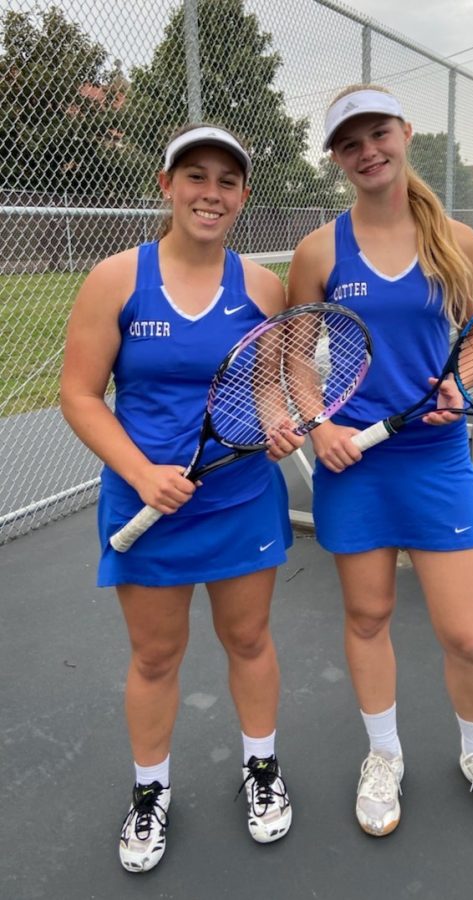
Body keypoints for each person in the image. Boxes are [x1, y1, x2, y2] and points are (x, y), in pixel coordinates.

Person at [287, 85, 473, 838]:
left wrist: (461, 381)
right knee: (367, 616)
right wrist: (317, 422)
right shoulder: (319, 250)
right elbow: (295, 360)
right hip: (353, 464)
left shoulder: (457, 240)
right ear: (335, 158)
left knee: (464, 634)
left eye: (378, 133)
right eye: (349, 142)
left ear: (405, 133)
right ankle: (383, 756)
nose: (367, 151)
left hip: (434, 459)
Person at [60, 123, 302, 872]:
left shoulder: (263, 286)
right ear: (166, 186)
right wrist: (141, 475)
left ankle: (260, 769)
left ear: (243, 198)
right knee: (157, 657)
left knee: (250, 641)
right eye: (194, 176)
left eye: (226, 182)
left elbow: (264, 387)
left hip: (239, 502)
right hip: (146, 506)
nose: (210, 192)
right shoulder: (115, 280)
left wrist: (277, 425)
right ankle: (149, 791)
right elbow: (79, 395)